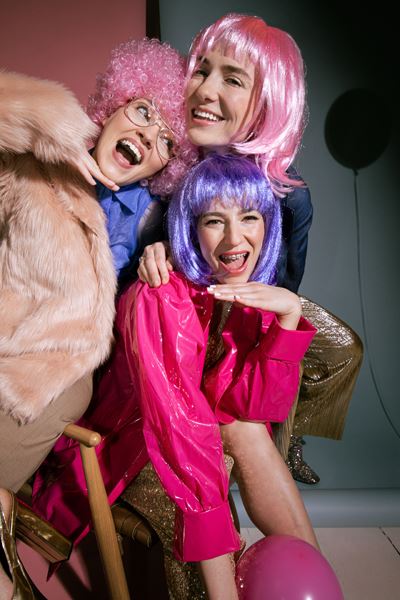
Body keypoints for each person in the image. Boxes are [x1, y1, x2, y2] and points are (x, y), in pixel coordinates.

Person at [34, 153, 317, 599]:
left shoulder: (239, 291)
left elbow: (252, 408)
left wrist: (287, 317)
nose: (235, 238)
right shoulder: (161, 295)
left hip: (195, 440)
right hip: (134, 448)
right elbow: (181, 432)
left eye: (249, 217)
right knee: (204, 480)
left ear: (268, 224)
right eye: (214, 221)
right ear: (190, 228)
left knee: (246, 429)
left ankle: (316, 572)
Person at [0, 37, 195, 599]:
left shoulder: (149, 220)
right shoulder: (34, 161)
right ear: (113, 105)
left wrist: (168, 257)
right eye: (143, 113)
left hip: (50, 376)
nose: (148, 137)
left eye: (166, 141)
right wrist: (52, 133)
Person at [138, 12, 363, 484]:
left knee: (343, 347)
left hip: (251, 313)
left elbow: (286, 282)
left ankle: (288, 432)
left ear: (266, 103)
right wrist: (157, 251)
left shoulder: (288, 195)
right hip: (187, 322)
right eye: (200, 70)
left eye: (232, 79)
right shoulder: (165, 160)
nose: (205, 90)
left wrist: (278, 332)